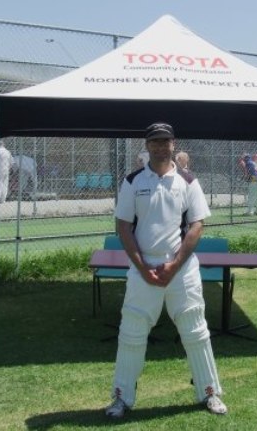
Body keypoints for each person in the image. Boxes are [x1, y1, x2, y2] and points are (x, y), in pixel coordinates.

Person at [106, 122, 227, 418]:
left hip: (181, 269)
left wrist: (174, 265)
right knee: (132, 333)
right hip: (143, 267)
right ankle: (121, 398)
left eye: (166, 141)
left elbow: (197, 225)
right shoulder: (133, 181)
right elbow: (123, 227)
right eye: (155, 142)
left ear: (174, 144)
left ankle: (209, 393)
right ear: (147, 146)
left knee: (195, 330)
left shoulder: (188, 180)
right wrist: (143, 267)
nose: (161, 146)